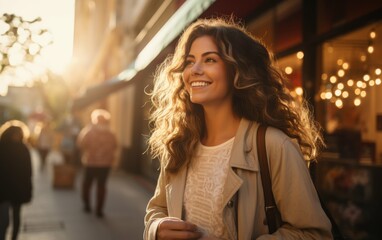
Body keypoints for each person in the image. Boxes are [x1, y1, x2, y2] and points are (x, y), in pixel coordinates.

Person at [144, 17, 333, 239]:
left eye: (210, 60)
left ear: (237, 70)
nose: (194, 70)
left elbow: (314, 234)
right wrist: (155, 230)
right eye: (189, 61)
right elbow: (157, 209)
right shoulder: (181, 141)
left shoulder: (273, 145)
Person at [77, 109, 117, 218]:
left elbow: (81, 143)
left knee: (87, 184)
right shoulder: (110, 133)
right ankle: (99, 209)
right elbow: (115, 146)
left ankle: (87, 205)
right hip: (105, 164)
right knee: (101, 186)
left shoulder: (89, 131)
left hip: (91, 162)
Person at [0, 120, 32, 240]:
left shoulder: (23, 149)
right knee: (4, 219)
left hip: (15, 190)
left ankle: (14, 237)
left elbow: (28, 172)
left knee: (15, 217)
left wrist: (27, 188)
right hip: (5, 190)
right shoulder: (5, 148)